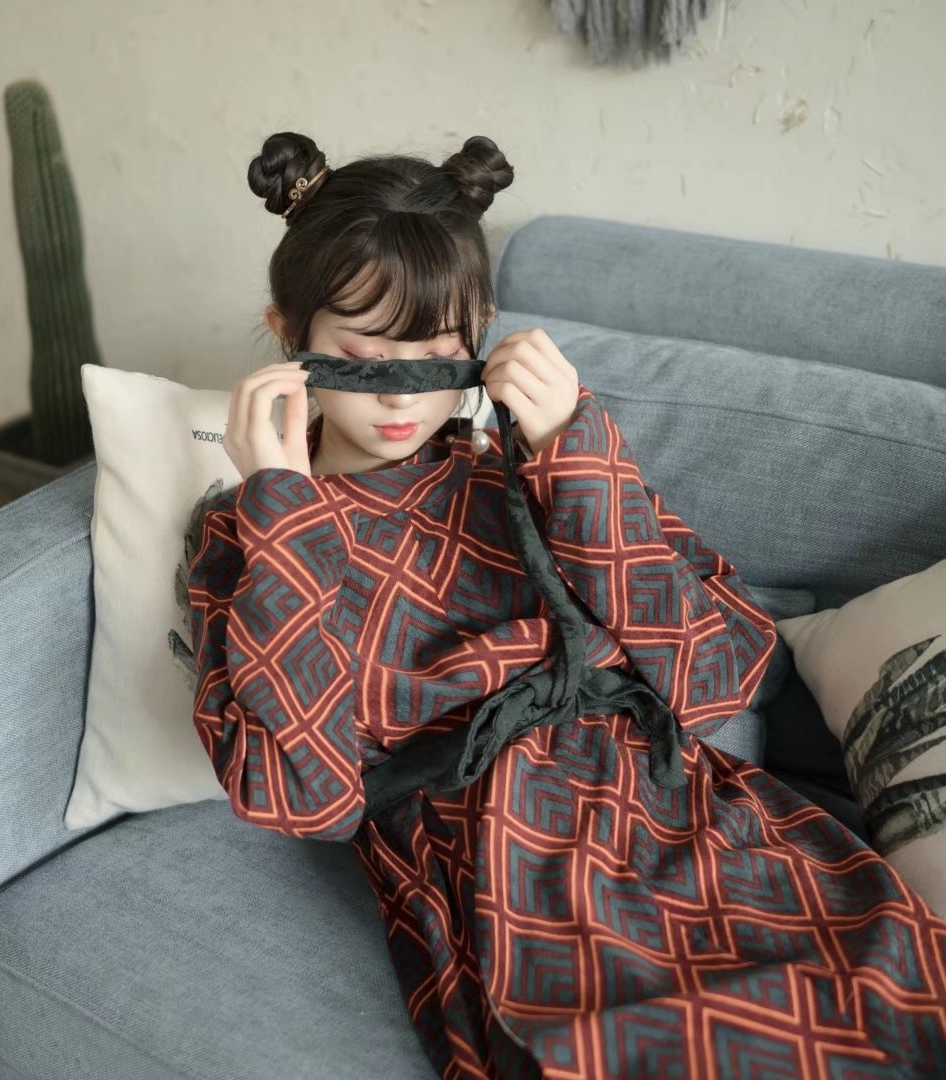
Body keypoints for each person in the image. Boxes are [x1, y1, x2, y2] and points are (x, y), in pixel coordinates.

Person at [188, 132, 946, 1079]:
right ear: (287, 334)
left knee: (896, 993)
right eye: (364, 354)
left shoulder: (525, 465)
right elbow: (307, 796)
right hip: (501, 863)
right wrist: (284, 513)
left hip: (681, 809)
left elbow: (724, 675)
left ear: (480, 333)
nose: (402, 395)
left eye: (439, 353)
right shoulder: (253, 532)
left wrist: (574, 454)